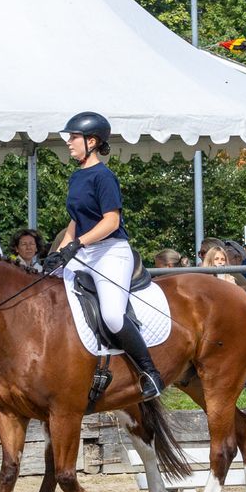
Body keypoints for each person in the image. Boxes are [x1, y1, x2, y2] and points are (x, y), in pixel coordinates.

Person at [51, 110, 162, 399]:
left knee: (112, 315)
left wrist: (79, 244)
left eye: (73, 137)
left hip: (110, 252)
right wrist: (59, 253)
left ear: (92, 141)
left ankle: (150, 371)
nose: (69, 142)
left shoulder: (104, 176)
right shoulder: (77, 177)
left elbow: (110, 221)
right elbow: (75, 223)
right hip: (84, 249)